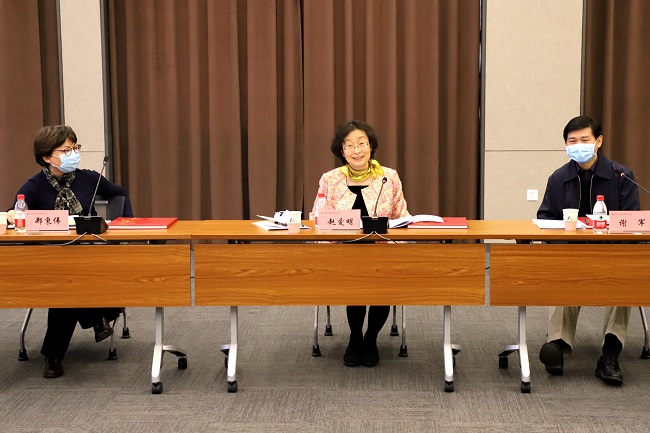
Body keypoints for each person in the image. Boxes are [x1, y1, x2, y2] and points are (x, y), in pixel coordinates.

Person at [7, 125, 134, 379]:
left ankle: (53, 355)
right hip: (49, 259)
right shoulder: (34, 186)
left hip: (89, 254)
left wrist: (126, 226)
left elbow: (119, 195)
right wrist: (14, 214)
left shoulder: (89, 178)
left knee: (71, 283)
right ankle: (97, 316)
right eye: (66, 150)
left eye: (75, 148)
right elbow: (15, 213)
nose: (73, 154)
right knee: (69, 280)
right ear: (47, 157)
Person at [537, 115, 640, 386]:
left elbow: (632, 223)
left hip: (613, 256)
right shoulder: (558, 178)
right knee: (564, 276)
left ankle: (610, 354)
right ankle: (558, 346)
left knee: (624, 279)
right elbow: (545, 219)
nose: (578, 145)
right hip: (571, 256)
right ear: (565, 145)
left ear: (599, 141)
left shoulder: (621, 176)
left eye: (584, 139)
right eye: (572, 141)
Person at [313, 120, 409, 367]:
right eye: (350, 145)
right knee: (355, 282)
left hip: (383, 253)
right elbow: (318, 219)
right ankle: (355, 338)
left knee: (382, 284)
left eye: (362, 144)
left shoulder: (389, 177)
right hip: (343, 254)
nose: (357, 150)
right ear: (342, 151)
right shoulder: (330, 179)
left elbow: (402, 217)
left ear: (371, 146)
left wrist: (400, 251)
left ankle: (371, 338)